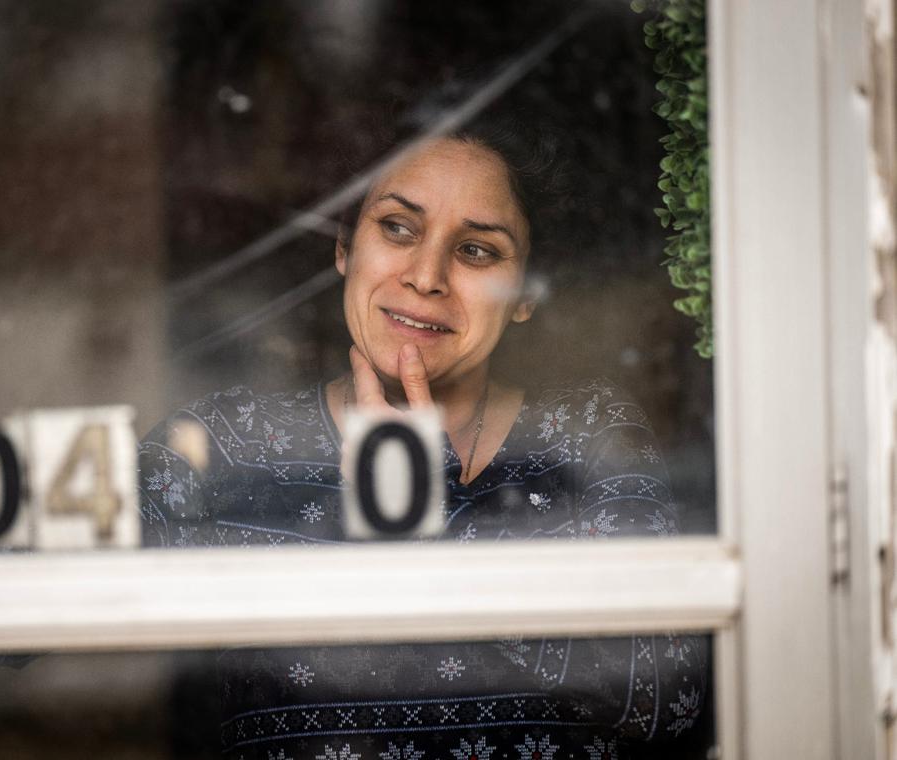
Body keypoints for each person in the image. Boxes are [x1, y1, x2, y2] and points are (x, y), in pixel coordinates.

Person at [139, 121, 707, 759]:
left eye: (476, 251)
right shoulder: (223, 447)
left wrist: (425, 502)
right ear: (344, 248)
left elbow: (665, 704)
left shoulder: (588, 439)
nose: (426, 275)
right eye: (398, 229)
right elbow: (21, 618)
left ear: (523, 295)